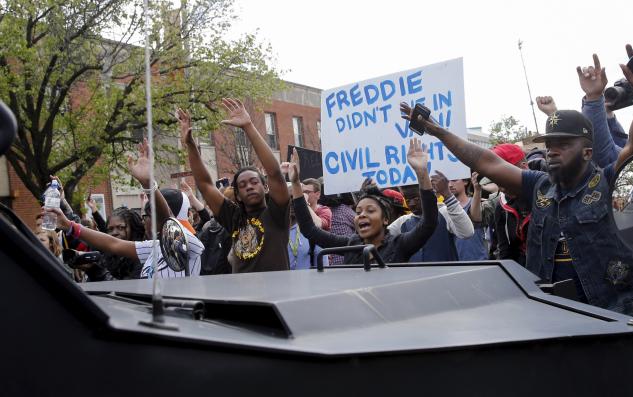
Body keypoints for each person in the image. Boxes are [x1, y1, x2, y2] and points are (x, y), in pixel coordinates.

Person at [401, 44, 633, 314]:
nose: (552, 150)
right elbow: (485, 161)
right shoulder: (539, 186)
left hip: (611, 315)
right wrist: (439, 132)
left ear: (587, 152)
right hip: (551, 314)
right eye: (550, 144)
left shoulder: (609, 182)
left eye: (563, 144)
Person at [43, 141, 204, 278]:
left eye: (152, 214)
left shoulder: (189, 242)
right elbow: (113, 244)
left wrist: (149, 185)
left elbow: (166, 219)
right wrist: (69, 226)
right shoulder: (156, 246)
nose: (147, 219)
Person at [177, 99, 290, 273]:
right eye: (243, 185)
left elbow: (274, 173)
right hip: (244, 298)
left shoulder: (277, 213)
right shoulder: (234, 218)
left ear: (265, 187)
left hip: (276, 296)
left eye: (254, 182)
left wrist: (248, 126)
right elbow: (205, 185)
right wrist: (191, 145)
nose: (249, 187)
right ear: (237, 195)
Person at [289, 138, 437, 264]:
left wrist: (422, 172)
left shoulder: (399, 244)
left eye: (370, 210)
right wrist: (296, 184)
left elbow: (428, 223)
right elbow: (309, 229)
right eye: (358, 211)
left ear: (385, 219)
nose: (362, 215)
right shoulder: (350, 245)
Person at [389, 168, 474, 262]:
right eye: (408, 199)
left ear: (428, 195)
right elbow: (380, 240)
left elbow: (467, 233)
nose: (412, 203)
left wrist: (448, 195)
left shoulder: (444, 213)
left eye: (416, 198)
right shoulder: (402, 222)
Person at [448, 175, 488, 261]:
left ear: (465, 181)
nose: (450, 185)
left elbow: (476, 219)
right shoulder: (444, 210)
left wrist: (477, 189)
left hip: (479, 261)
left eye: (454, 180)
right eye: (447, 181)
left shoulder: (478, 203)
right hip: (455, 264)